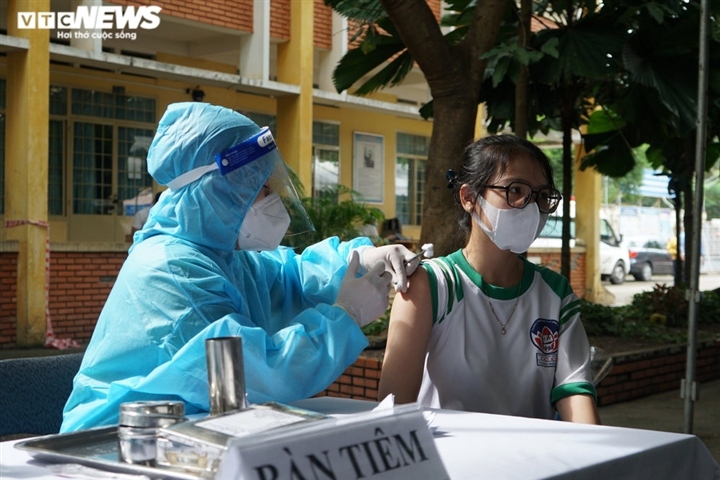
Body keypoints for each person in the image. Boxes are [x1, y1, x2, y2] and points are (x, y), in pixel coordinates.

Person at [61, 103, 419, 432]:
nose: (273, 199)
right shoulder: (171, 271)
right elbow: (252, 372)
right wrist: (346, 315)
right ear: (215, 190)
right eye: (260, 188)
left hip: (188, 431)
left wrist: (359, 260)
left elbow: (293, 276)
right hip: (115, 442)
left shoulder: (226, 256)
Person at [378, 134, 601, 424]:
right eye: (515, 190)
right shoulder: (431, 285)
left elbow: (576, 396)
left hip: (533, 464)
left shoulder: (555, 294)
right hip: (448, 463)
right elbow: (394, 408)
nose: (530, 207)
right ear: (469, 197)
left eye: (542, 196)